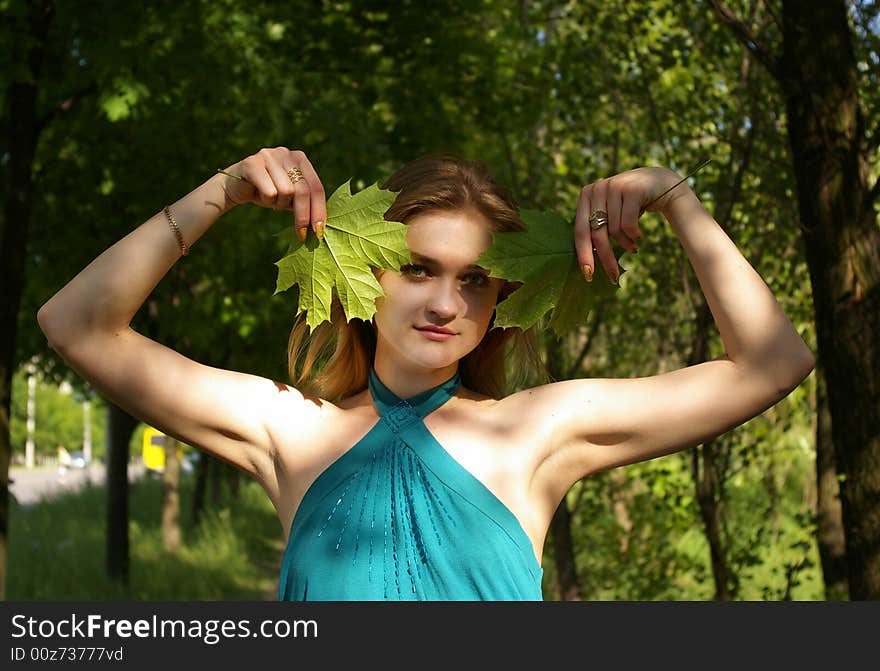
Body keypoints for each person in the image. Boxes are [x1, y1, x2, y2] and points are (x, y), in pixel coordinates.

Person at [37, 146, 815, 600]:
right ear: (369, 274)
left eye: (475, 279)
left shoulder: (535, 431)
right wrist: (223, 191)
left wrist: (672, 197)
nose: (447, 300)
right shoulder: (290, 429)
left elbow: (772, 363)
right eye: (417, 269)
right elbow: (77, 324)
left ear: (499, 295)